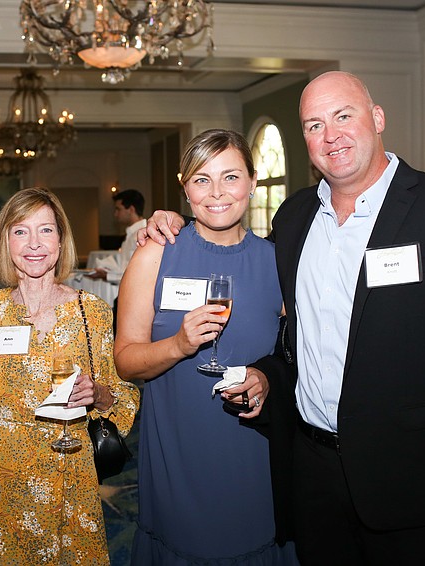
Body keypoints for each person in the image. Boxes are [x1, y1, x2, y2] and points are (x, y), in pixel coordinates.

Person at [143, 71, 425, 565]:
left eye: (343, 116)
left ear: (378, 118)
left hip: (412, 478)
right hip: (312, 470)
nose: (331, 135)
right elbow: (293, 337)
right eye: (314, 125)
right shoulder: (294, 216)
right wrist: (267, 375)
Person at [113, 129, 296, 564]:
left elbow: (296, 354)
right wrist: (178, 344)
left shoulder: (277, 262)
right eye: (201, 179)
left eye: (231, 177)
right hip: (179, 449)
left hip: (253, 448)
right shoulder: (156, 254)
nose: (217, 193)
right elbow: (125, 361)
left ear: (253, 182)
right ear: (184, 187)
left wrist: (267, 377)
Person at [0, 187, 140, 565]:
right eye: (20, 231)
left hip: (70, 475)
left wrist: (97, 394)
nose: (34, 243)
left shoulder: (91, 312)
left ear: (61, 241)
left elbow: (124, 398)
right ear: (4, 241)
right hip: (0, 480)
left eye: (45, 230)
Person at [87, 189, 146, 284]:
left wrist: (106, 276)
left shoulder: (142, 235)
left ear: (131, 209)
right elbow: (125, 268)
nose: (115, 214)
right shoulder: (132, 234)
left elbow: (138, 275)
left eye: (118, 209)